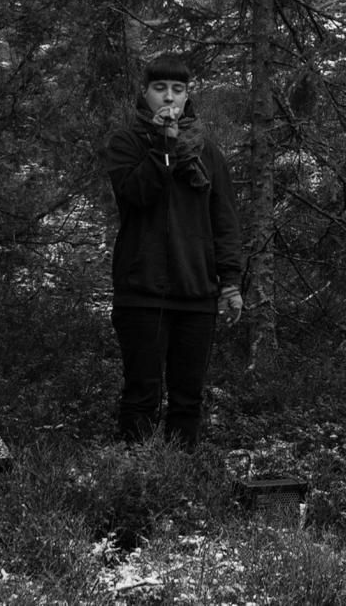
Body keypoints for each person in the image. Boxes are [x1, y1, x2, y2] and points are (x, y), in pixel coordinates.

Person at [101, 54, 243, 450]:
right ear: (144, 94)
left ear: (187, 95)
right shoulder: (125, 143)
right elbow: (137, 194)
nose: (169, 97)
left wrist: (230, 283)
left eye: (177, 90)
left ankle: (180, 484)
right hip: (141, 290)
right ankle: (137, 481)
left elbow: (225, 220)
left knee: (188, 398)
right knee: (141, 394)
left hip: (196, 291)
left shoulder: (207, 151)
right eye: (160, 88)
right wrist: (164, 144)